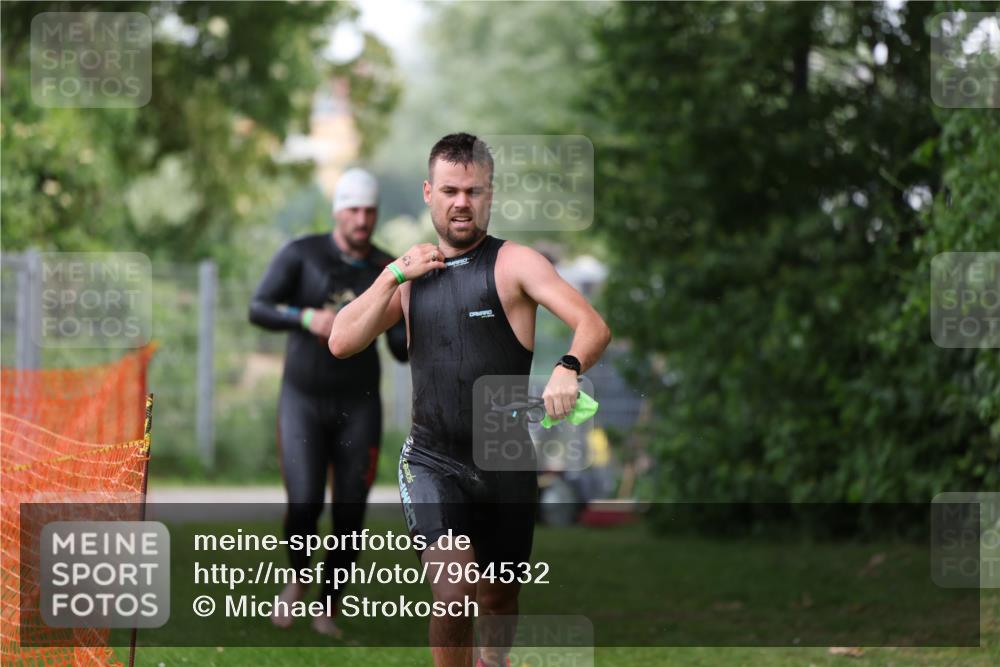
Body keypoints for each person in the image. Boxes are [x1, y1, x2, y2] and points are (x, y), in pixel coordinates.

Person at [330, 134, 611, 667]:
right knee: (455, 593)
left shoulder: (515, 264)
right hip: (433, 458)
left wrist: (567, 367)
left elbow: (592, 325)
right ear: (430, 193)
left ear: (490, 195)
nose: (462, 202)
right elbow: (342, 340)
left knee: (499, 597)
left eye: (474, 191)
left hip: (505, 457)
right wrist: (392, 275)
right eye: (451, 191)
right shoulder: (411, 274)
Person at [248, 167, 407, 637]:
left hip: (358, 404)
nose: (362, 219)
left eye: (370, 211)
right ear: (339, 211)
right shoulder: (303, 255)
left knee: (351, 510)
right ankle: (297, 581)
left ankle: (329, 605)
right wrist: (304, 317)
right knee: (304, 502)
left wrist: (414, 315)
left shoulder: (387, 269)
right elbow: (258, 307)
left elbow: (400, 348)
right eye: (354, 209)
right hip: (302, 399)